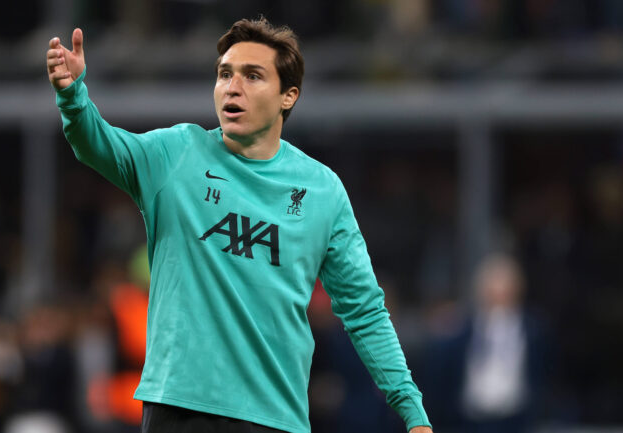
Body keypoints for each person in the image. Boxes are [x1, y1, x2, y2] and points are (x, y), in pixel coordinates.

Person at [46, 17, 433, 433]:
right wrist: (73, 96)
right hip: (180, 409)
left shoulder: (322, 191)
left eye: (253, 76)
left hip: (273, 416)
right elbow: (98, 144)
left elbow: (365, 310)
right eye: (225, 74)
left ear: (288, 96)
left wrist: (412, 412)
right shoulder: (177, 153)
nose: (233, 86)